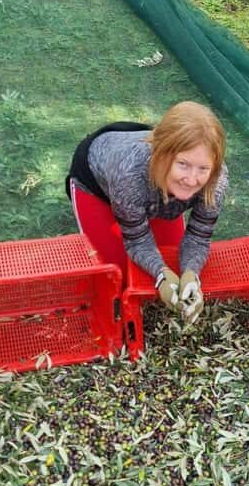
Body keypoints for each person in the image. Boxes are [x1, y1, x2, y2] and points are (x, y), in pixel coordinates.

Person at [65, 101, 228, 324]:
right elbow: (137, 240)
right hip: (96, 180)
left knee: (169, 256)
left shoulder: (215, 182)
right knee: (115, 275)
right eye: (183, 164)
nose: (192, 180)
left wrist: (191, 275)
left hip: (155, 185)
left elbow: (199, 238)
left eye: (203, 169)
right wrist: (161, 275)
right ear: (163, 155)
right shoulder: (129, 177)